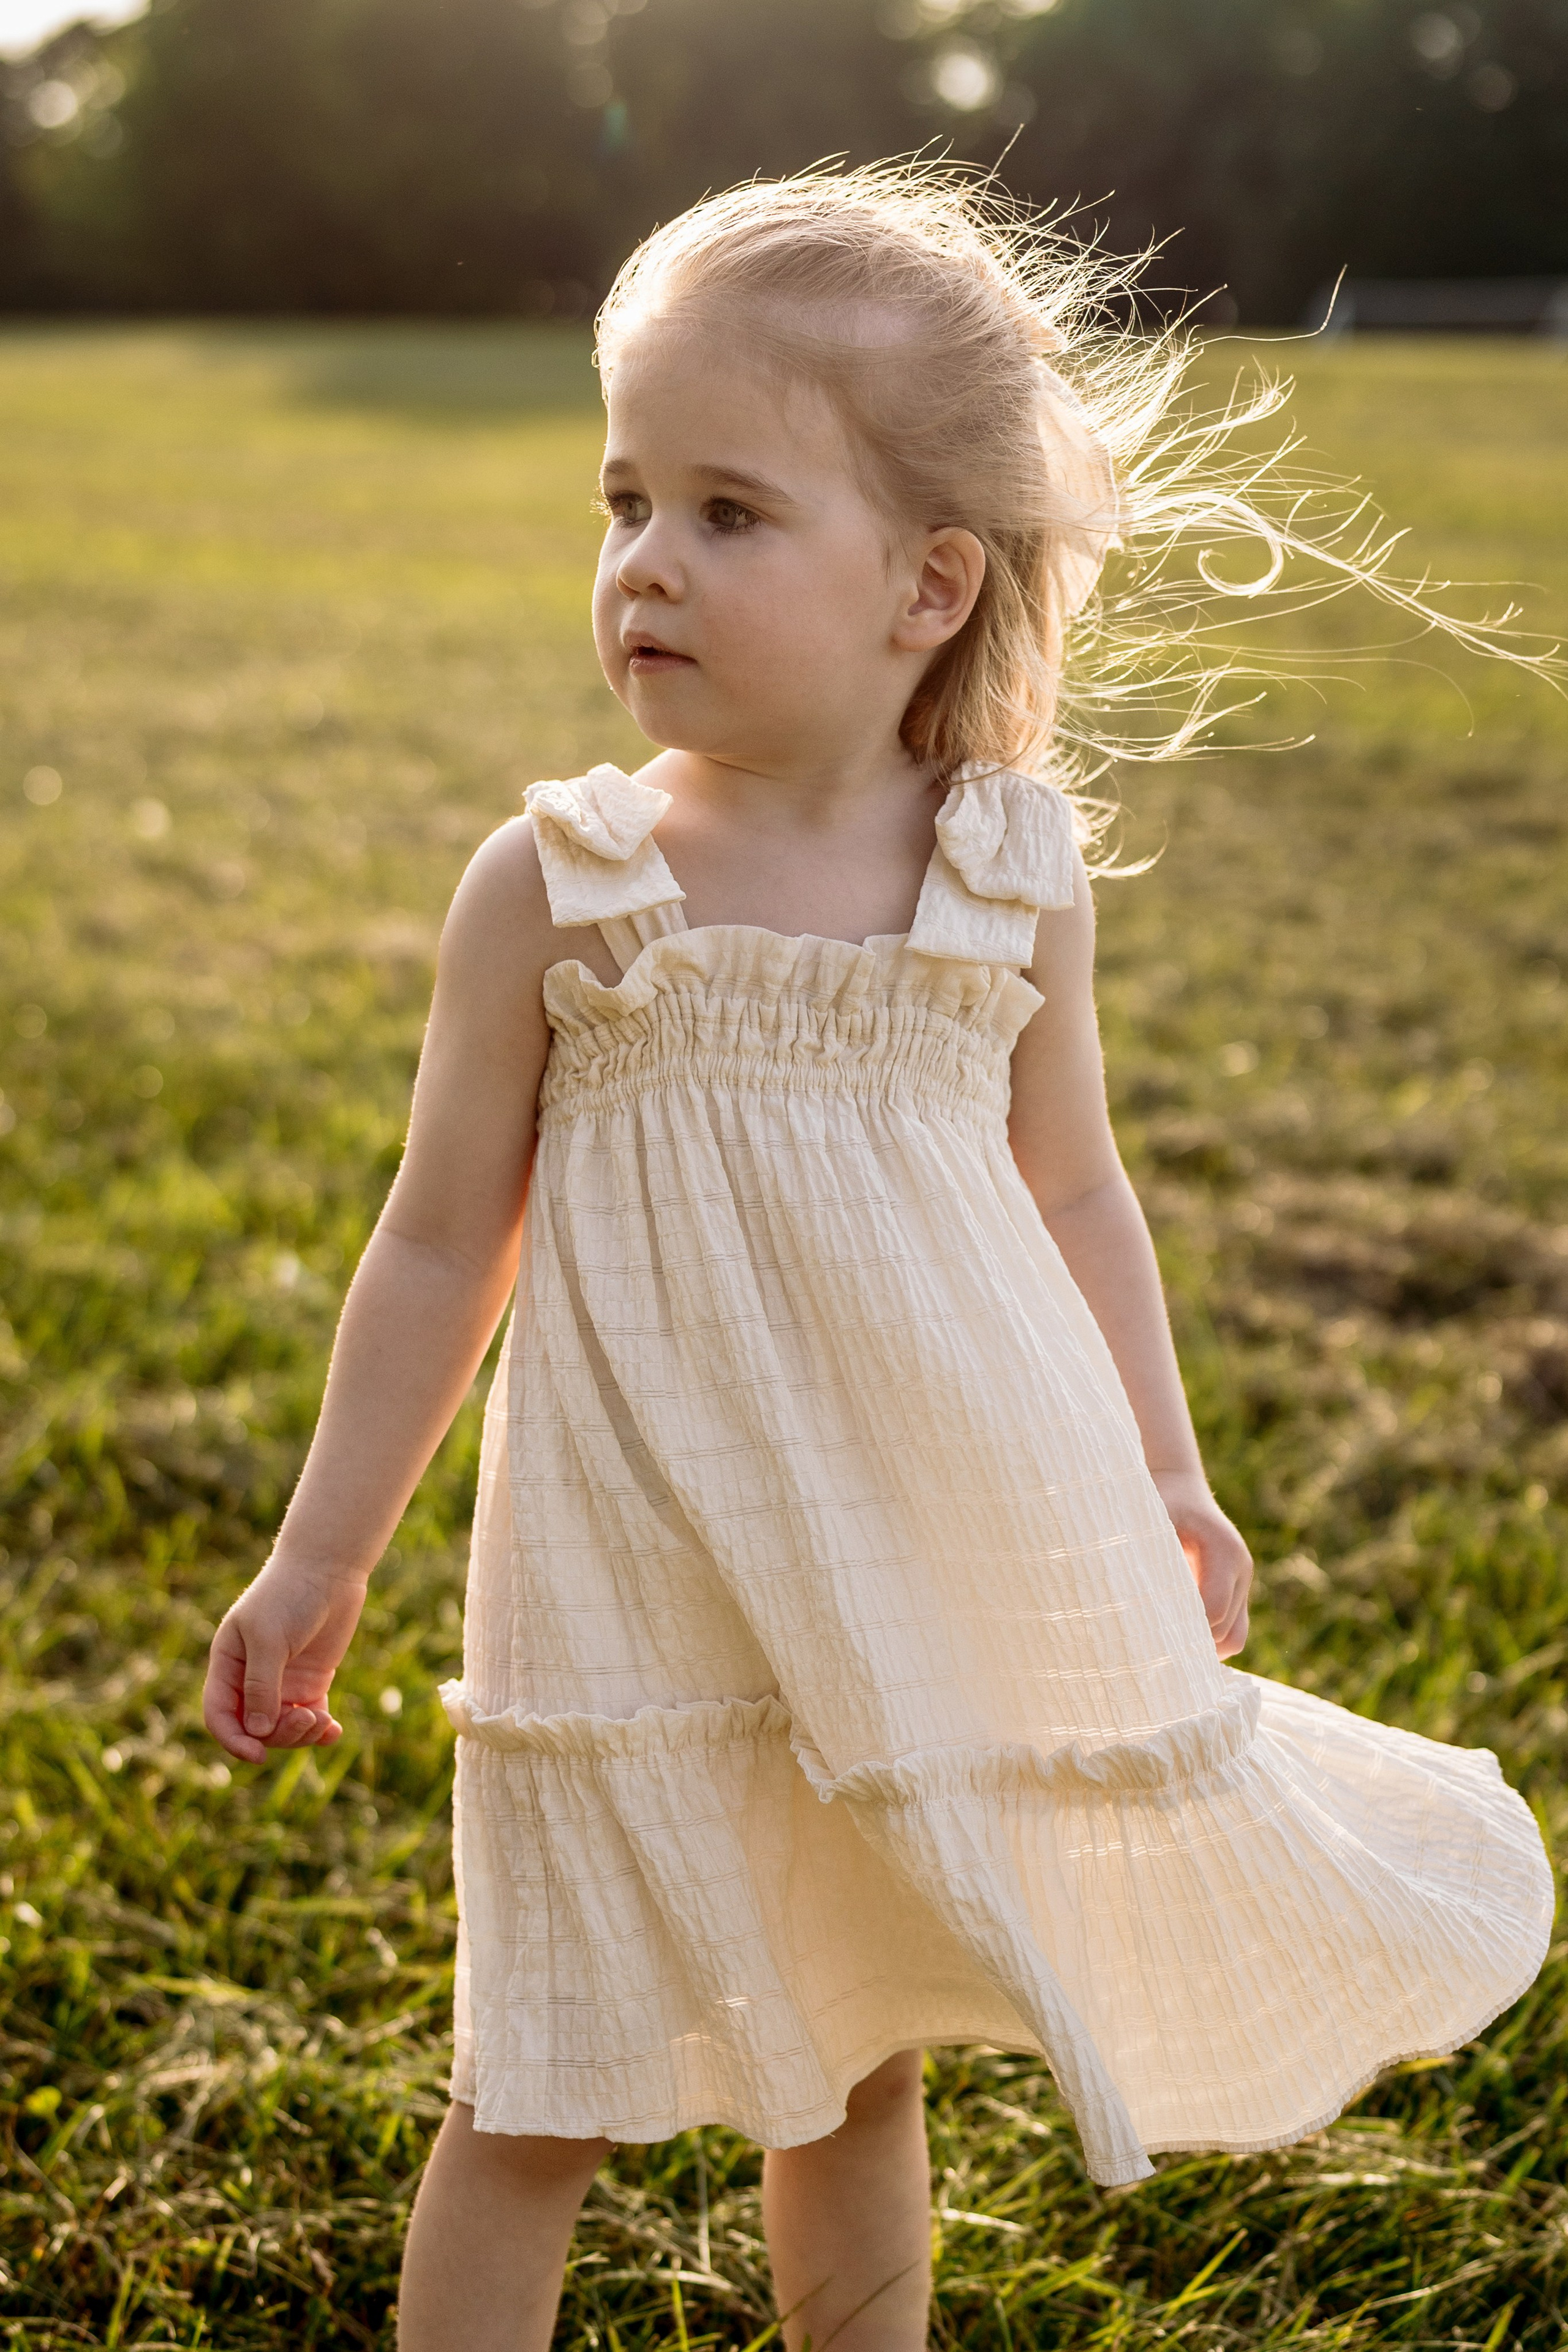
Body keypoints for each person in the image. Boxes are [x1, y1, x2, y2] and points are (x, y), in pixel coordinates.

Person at [201, 162, 1554, 2352]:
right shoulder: (559, 890)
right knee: (532, 2082)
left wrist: (1172, 1472)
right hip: (635, 1575)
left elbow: (1078, 1189)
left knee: (854, 2049)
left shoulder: (1008, 877)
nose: (646, 560)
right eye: (625, 498)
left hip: (901, 1551)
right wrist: (320, 1551)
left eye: (730, 512)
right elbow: (443, 1238)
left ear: (931, 582)